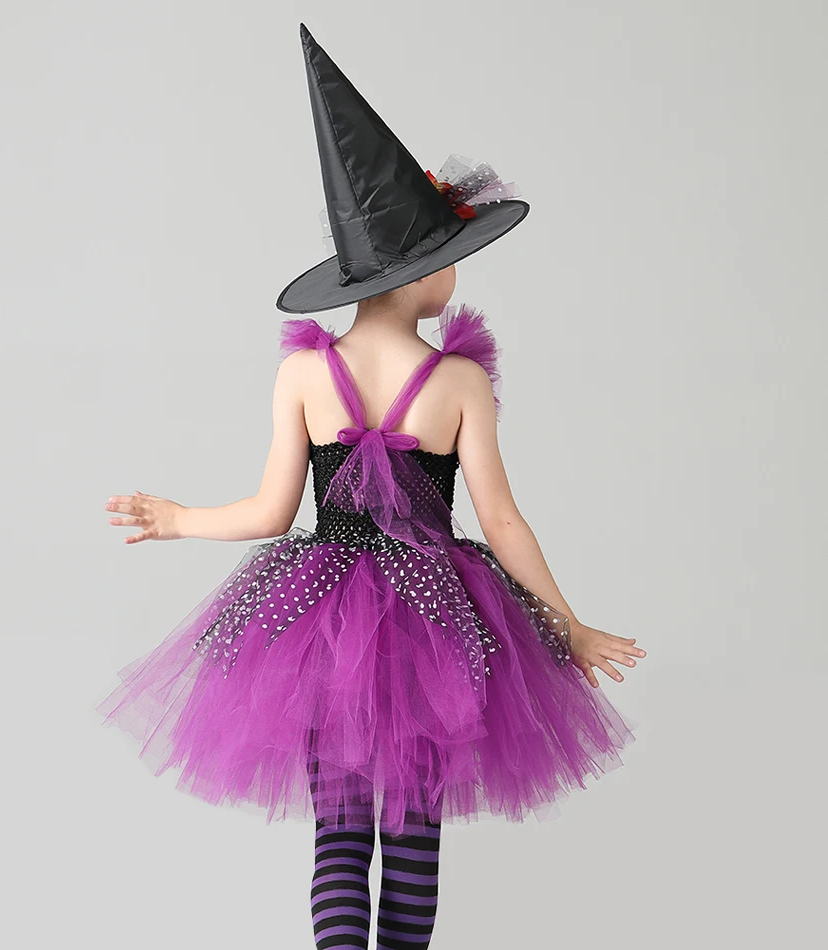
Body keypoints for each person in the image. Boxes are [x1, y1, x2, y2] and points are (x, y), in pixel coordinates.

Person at [95, 23, 643, 950]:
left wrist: (181, 519)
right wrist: (568, 626)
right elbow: (504, 522)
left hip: (318, 620)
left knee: (339, 835)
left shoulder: (304, 375)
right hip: (440, 618)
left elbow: (273, 512)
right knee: (416, 838)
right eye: (450, 255)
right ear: (420, 272)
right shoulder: (458, 383)